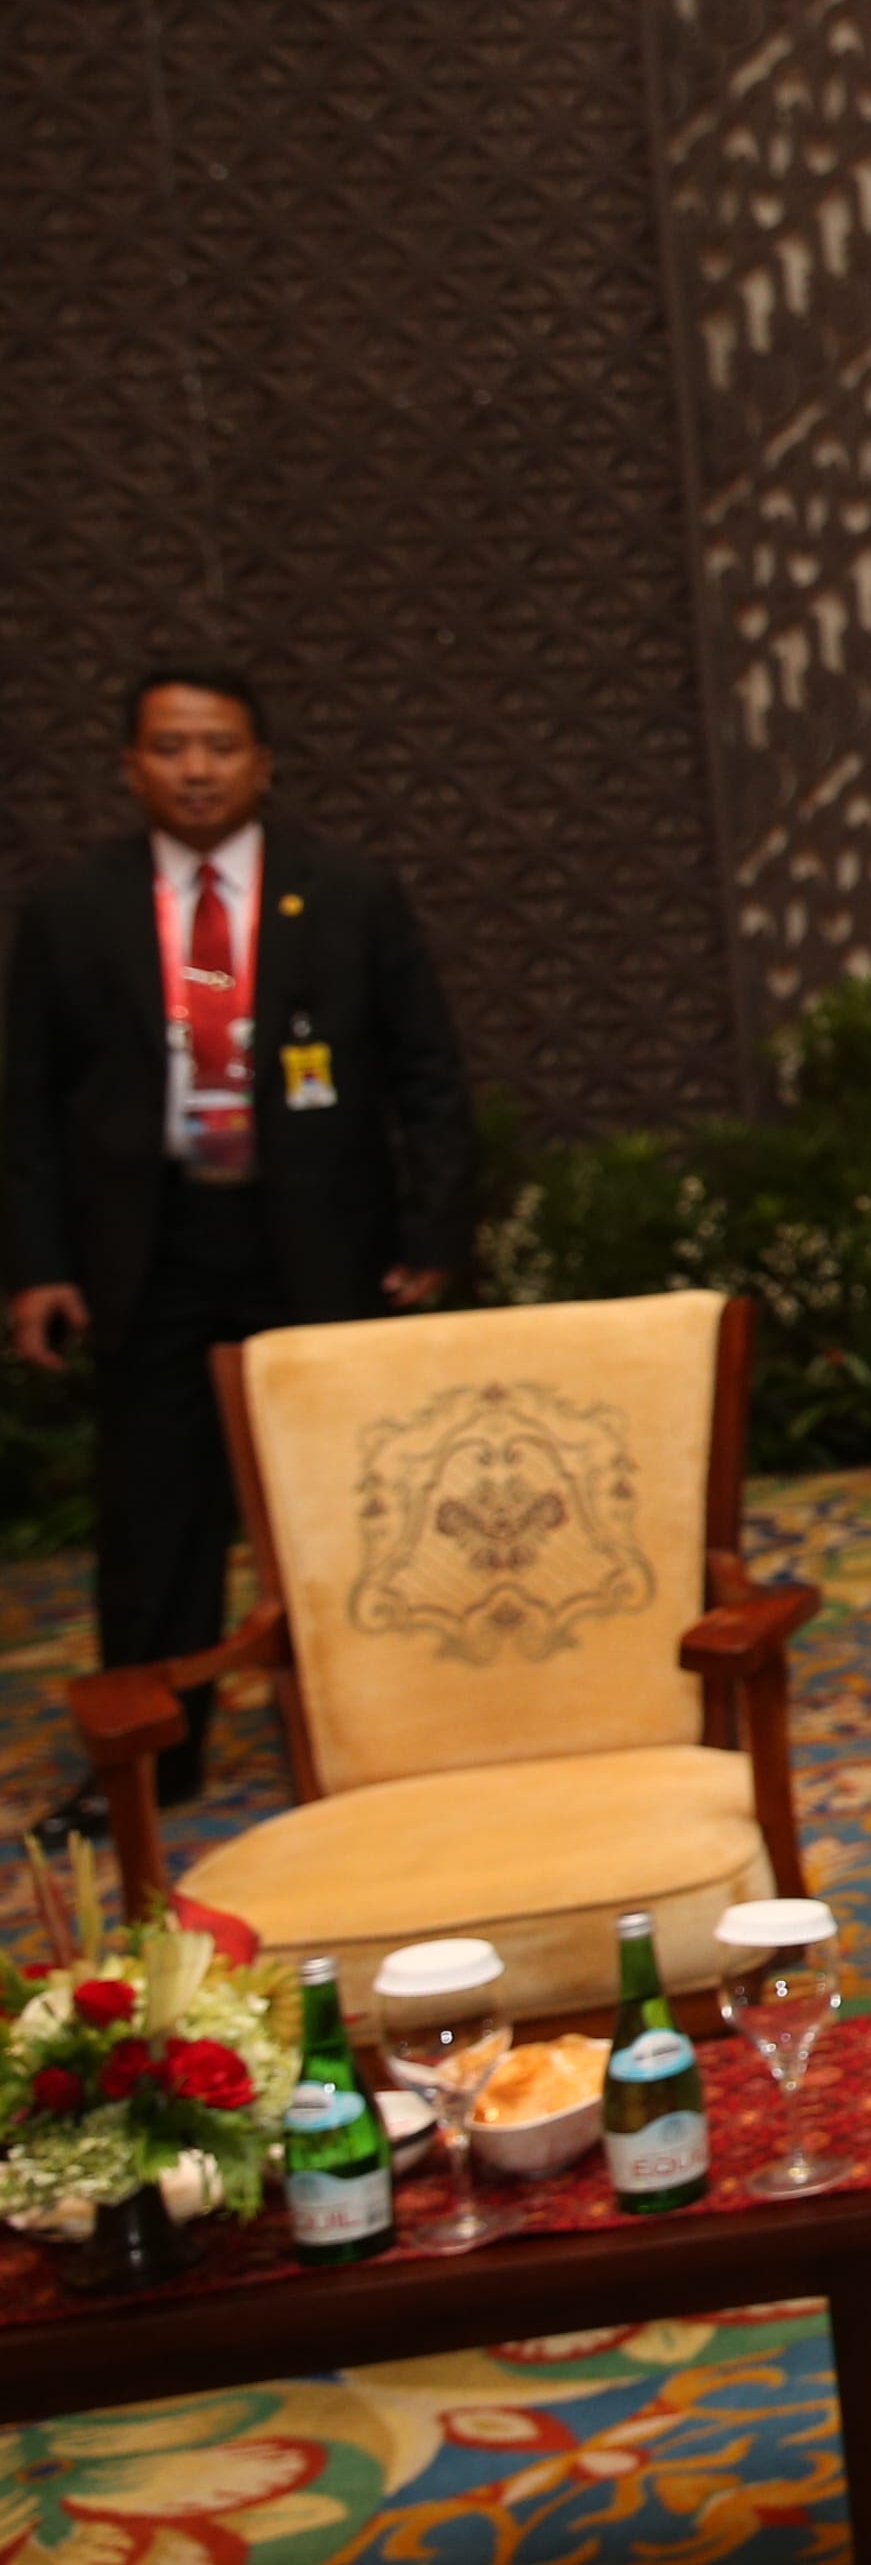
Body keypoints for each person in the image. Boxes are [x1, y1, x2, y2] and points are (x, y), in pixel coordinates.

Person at [4, 664, 473, 1842]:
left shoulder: (349, 893)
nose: (197, 769)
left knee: (345, 1498)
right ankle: (153, 1759)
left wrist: (432, 1232)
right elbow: (27, 1105)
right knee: (154, 1514)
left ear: (263, 762)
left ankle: (382, 1735)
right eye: (171, 747)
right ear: (131, 767)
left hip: (314, 1239)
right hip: (150, 1243)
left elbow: (429, 1076)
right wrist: (38, 1263)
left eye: (219, 746)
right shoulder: (70, 909)